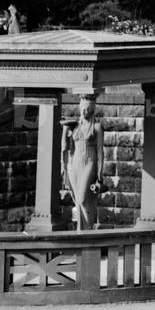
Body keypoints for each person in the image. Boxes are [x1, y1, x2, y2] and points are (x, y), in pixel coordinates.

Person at [61, 96, 104, 230]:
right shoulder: (74, 127)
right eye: (83, 109)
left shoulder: (97, 127)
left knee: (83, 199)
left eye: (88, 109)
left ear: (92, 110)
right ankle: (81, 231)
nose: (85, 112)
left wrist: (100, 174)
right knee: (76, 199)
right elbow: (65, 148)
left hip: (89, 162)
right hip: (73, 163)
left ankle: (87, 230)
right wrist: (65, 133)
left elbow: (100, 152)